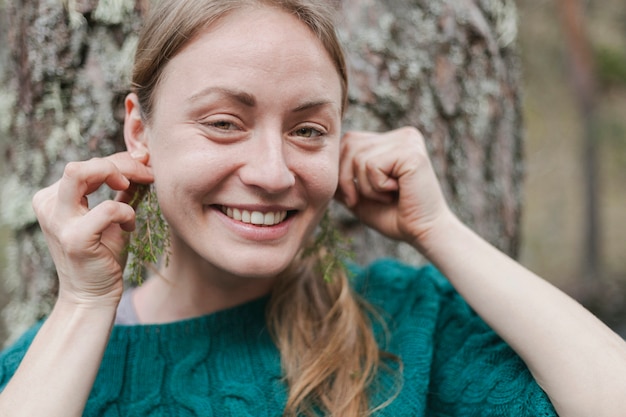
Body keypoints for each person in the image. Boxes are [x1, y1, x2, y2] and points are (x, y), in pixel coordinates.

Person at [0, 0, 625, 416]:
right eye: (224, 123)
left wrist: (439, 232)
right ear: (140, 132)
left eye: (307, 130)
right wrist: (83, 306)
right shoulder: (48, 371)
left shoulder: (408, 328)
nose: (273, 173)